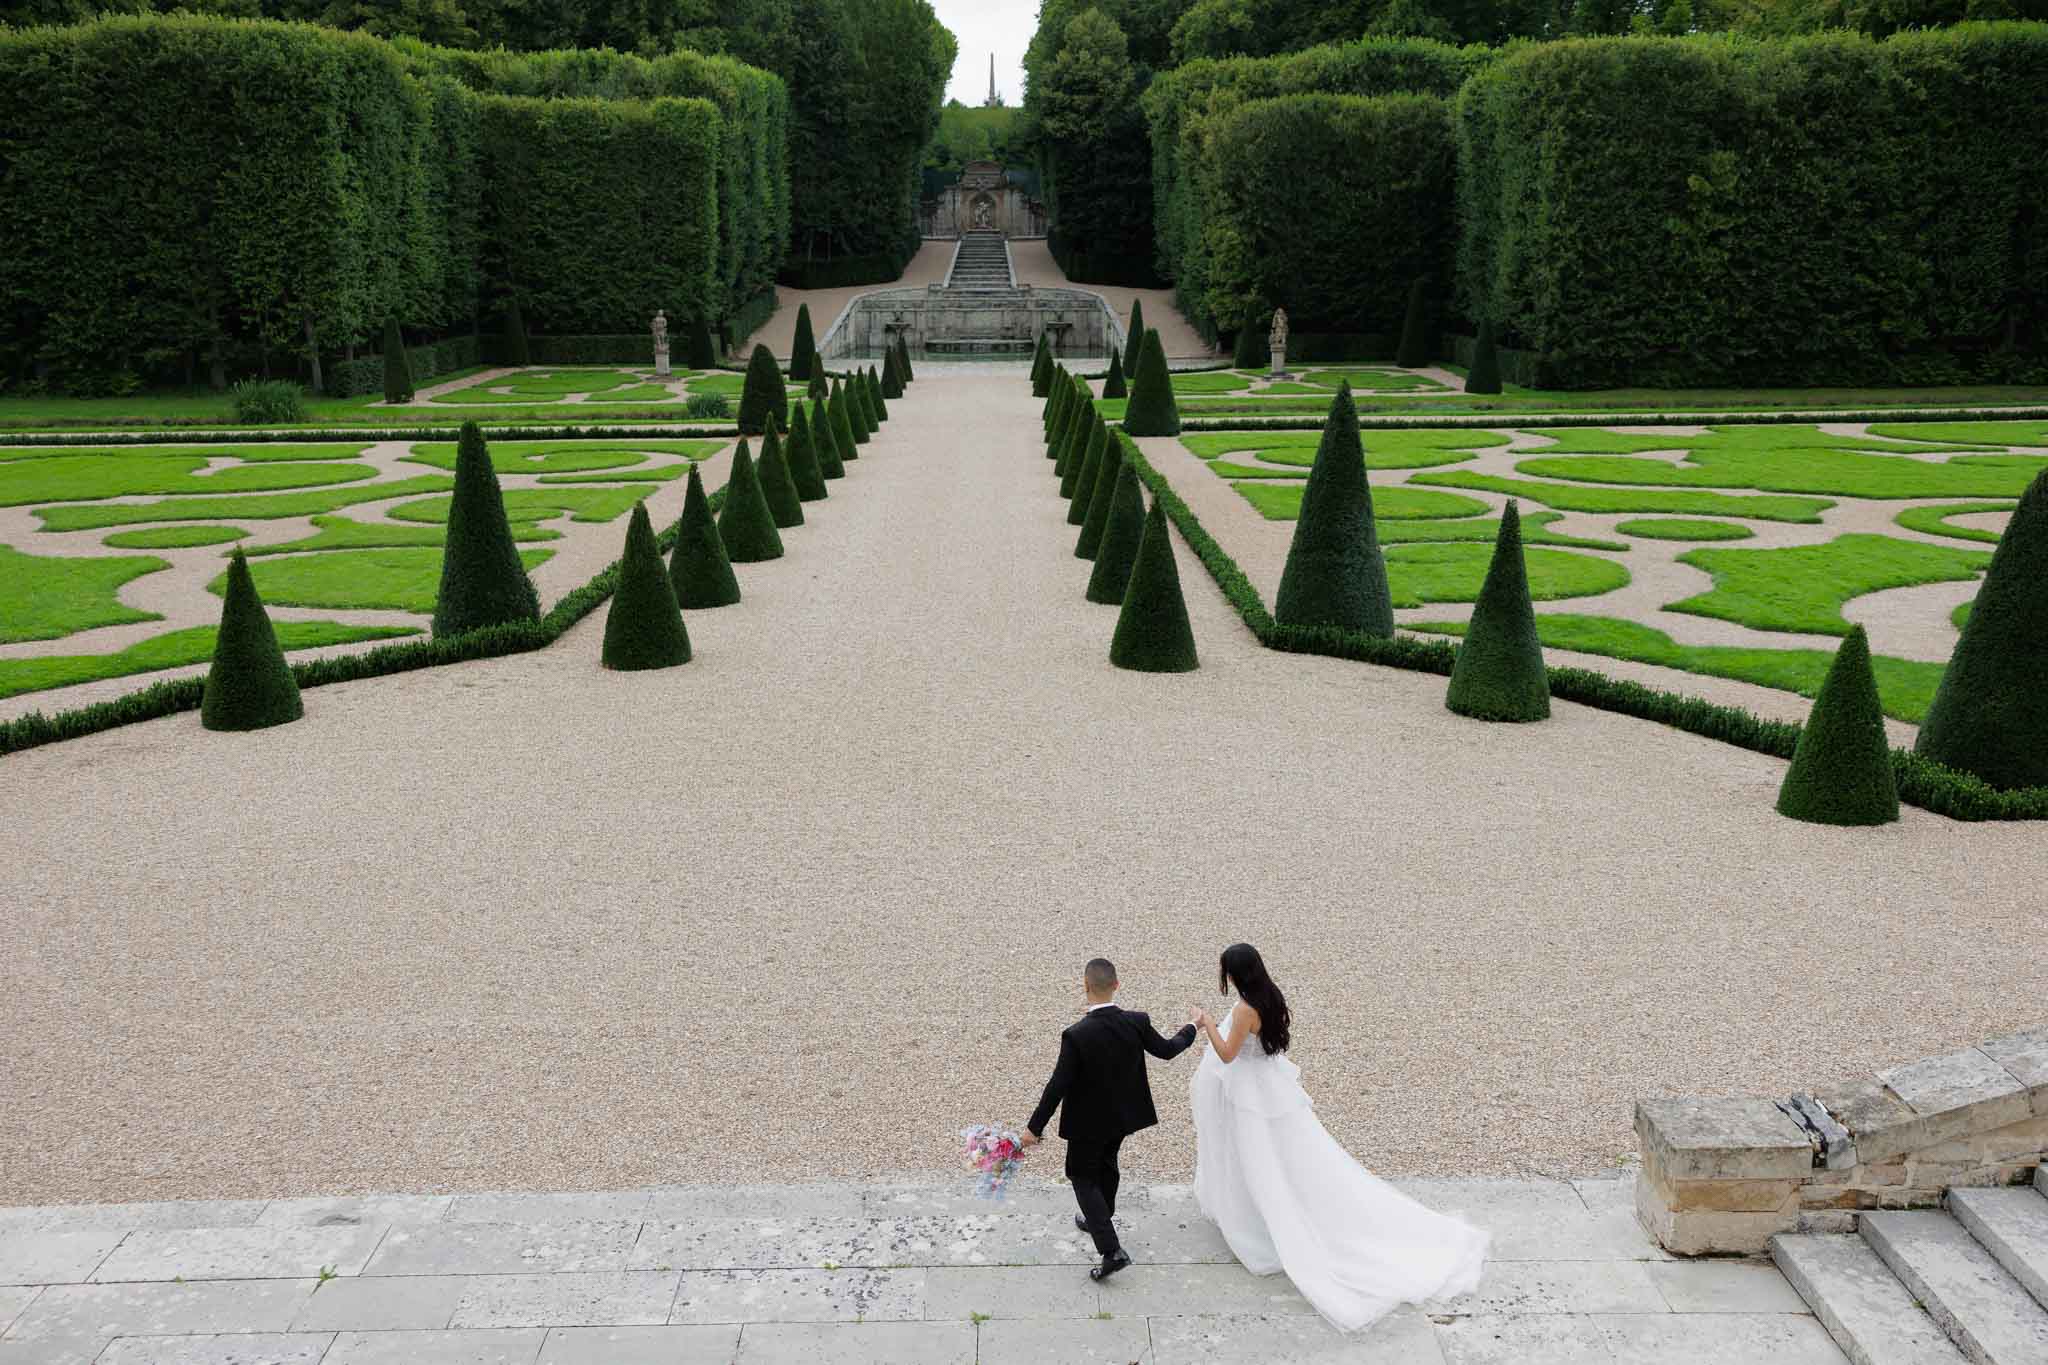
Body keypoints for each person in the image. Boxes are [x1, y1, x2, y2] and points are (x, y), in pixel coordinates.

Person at [1191, 943, 1488, 1332]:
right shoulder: (1269, 994)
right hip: (1267, 1084)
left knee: (1257, 1157)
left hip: (1250, 1092)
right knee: (1281, 1155)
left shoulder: (1246, 1009)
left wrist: (1206, 1021)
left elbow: (1229, 1055)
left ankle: (1261, 1221)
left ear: (1234, 974)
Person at [1020, 957, 1199, 1281]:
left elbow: (1058, 1085)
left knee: (1081, 1175)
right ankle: (1099, 1216)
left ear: (1085, 986)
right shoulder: (1136, 1021)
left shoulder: (1076, 1035)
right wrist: (1194, 1027)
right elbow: (1168, 1050)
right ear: (1117, 985)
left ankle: (1110, 1250)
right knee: (1107, 1162)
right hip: (1123, 1117)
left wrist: (1033, 1129)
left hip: (1087, 1124)